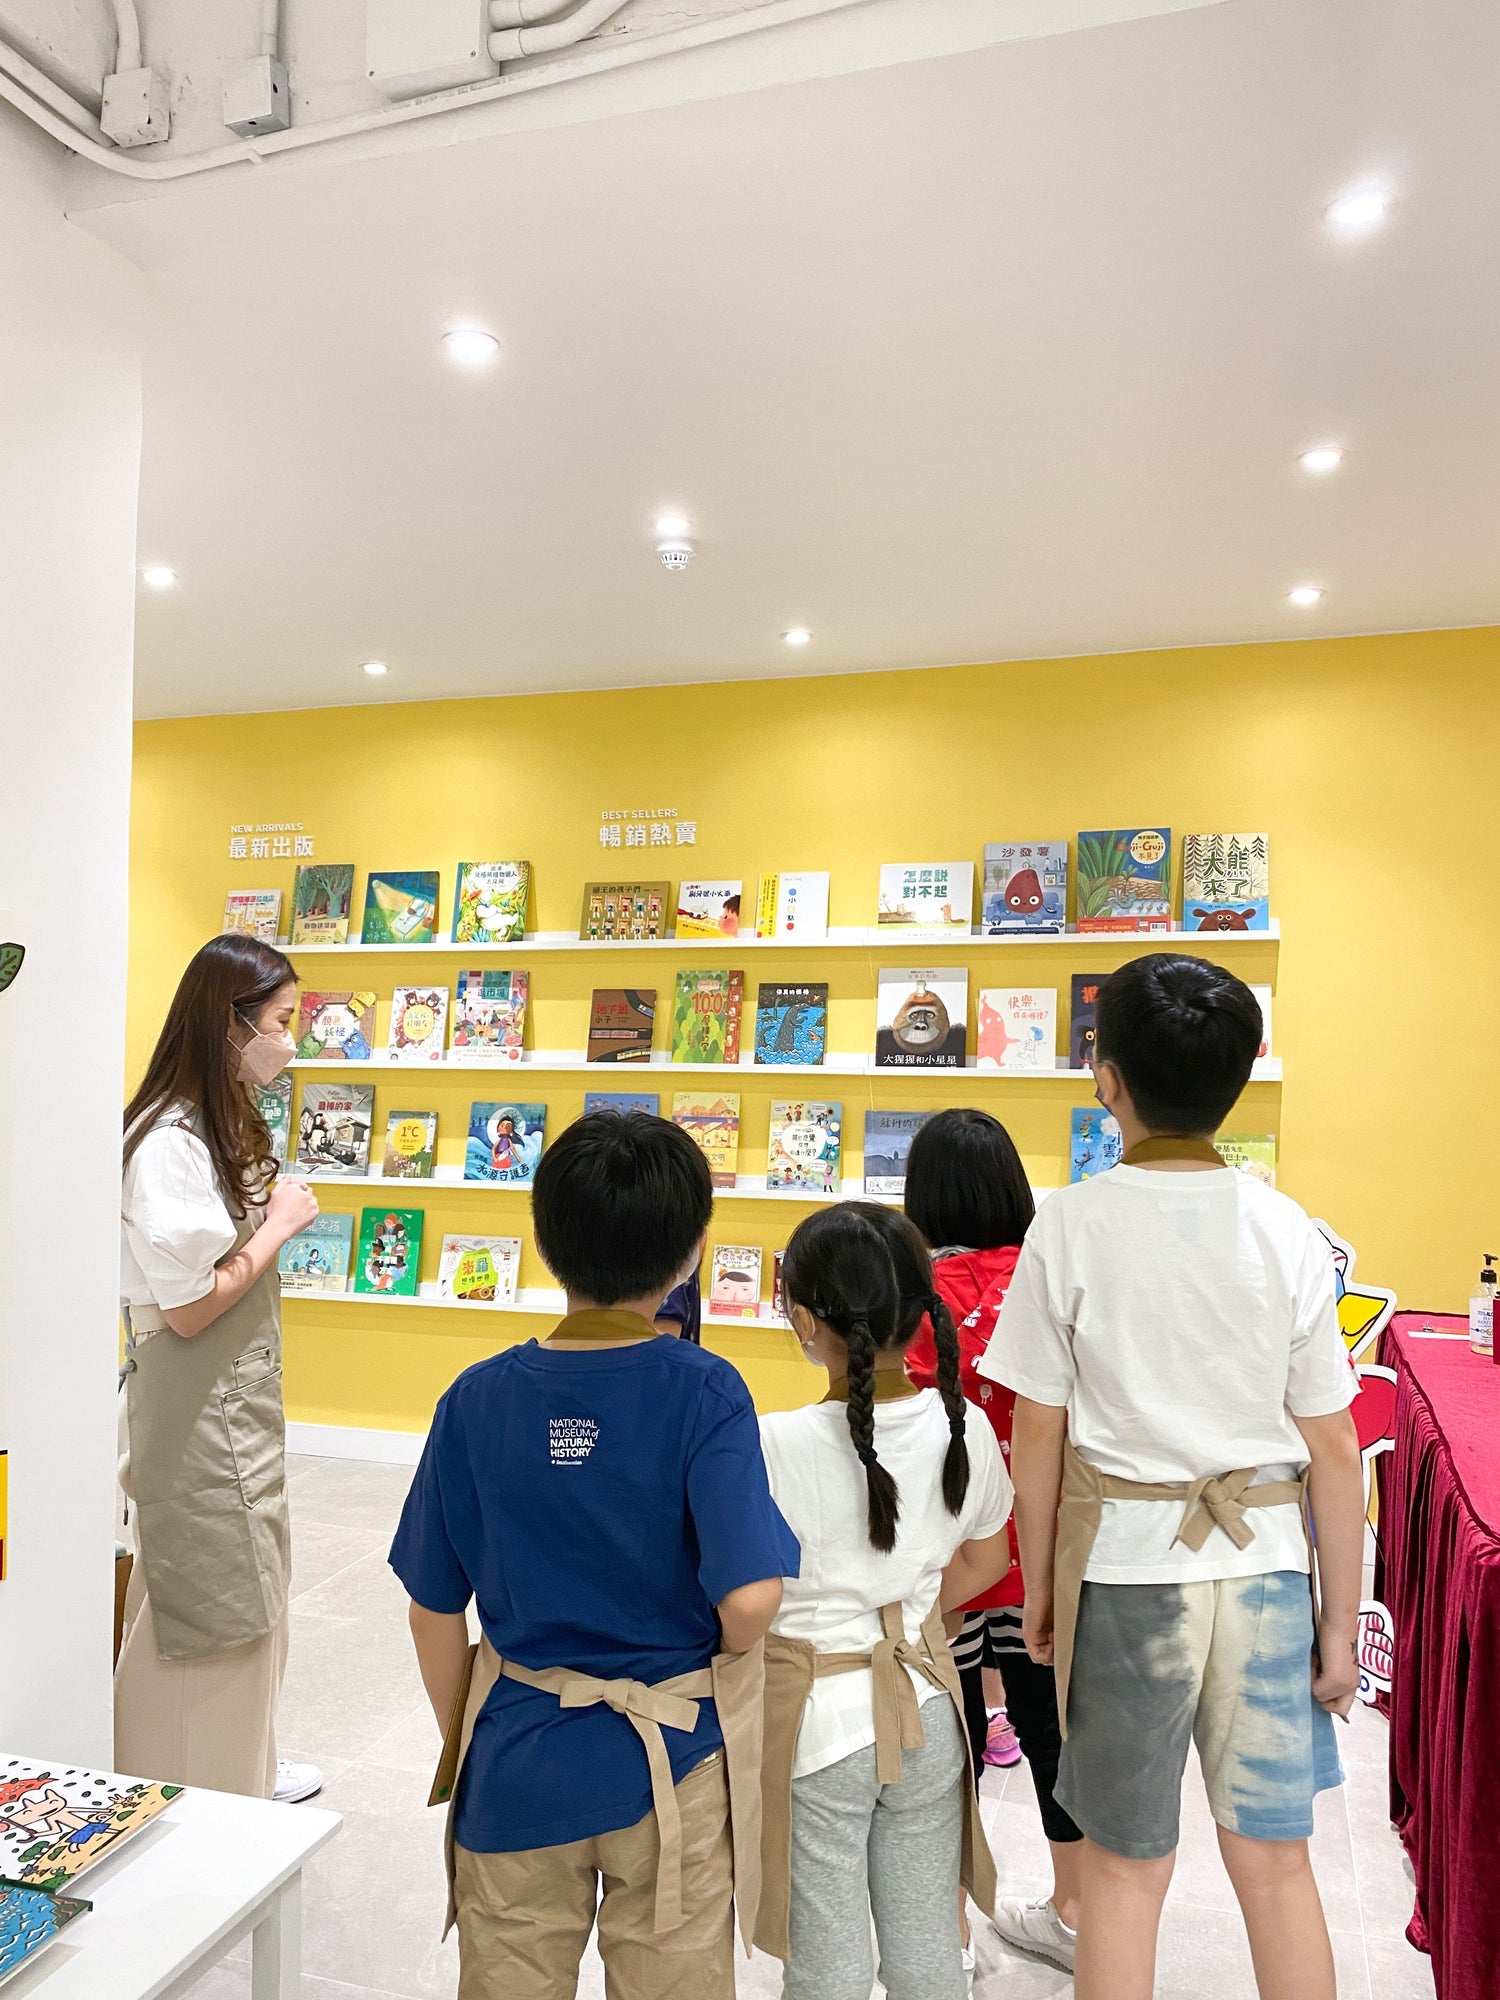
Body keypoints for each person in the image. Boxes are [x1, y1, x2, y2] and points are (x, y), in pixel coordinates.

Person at [980, 954, 1366, 2000]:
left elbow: (1038, 1429)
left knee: (1122, 1869)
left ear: (1106, 1074)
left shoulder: (1069, 1221)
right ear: (1238, 1076)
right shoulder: (1286, 1225)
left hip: (1130, 1570)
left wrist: (1044, 1590)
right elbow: (1334, 1443)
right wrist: (1342, 1623)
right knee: (1278, 1867)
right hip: (1270, 1573)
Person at [390, 1110, 798, 2000]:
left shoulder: (474, 1398)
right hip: (674, 1767)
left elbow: (431, 1604)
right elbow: (754, 1599)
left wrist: (467, 1727)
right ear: (692, 1251)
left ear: (542, 1240)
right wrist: (718, 1660)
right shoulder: (707, 1389)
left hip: (518, 1762)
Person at [756, 1203, 1013, 2000]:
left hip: (817, 1727)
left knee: (826, 1957)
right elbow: (988, 1556)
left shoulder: (772, 1443)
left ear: (803, 1318)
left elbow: (745, 1594)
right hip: (930, 1707)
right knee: (929, 1940)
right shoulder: (961, 1424)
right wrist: (909, 1616)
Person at [115, 933, 323, 1802]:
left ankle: (249, 1768)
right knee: (212, 1602)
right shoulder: (168, 1142)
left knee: (241, 1585)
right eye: (280, 1021)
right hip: (199, 1408)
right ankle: (202, 1790)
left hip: (225, 1405)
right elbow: (191, 1306)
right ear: (229, 1025)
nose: (291, 1040)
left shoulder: (206, 1122)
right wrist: (277, 1226)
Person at [903, 1107, 1083, 1972]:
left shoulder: (913, 1294)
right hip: (1043, 1558)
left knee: (949, 1742)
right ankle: (1074, 1910)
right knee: (1051, 1734)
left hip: (949, 1560)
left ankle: (952, 1929)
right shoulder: (1050, 1278)